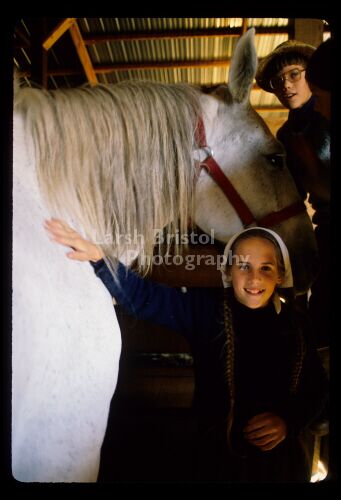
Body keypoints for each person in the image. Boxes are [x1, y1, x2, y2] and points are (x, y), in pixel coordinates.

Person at [44, 218, 328, 482]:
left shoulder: (297, 325)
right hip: (217, 462)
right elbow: (144, 298)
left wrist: (287, 422)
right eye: (243, 266)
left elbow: (317, 390)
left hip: (282, 467)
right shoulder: (206, 311)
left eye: (265, 268)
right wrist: (99, 257)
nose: (254, 278)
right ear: (228, 271)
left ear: (280, 275)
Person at [256, 40, 331, 354]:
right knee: (322, 315)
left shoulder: (328, 115)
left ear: (310, 77)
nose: (286, 85)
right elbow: (293, 194)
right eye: (278, 81)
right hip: (327, 225)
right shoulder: (285, 136)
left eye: (294, 74)